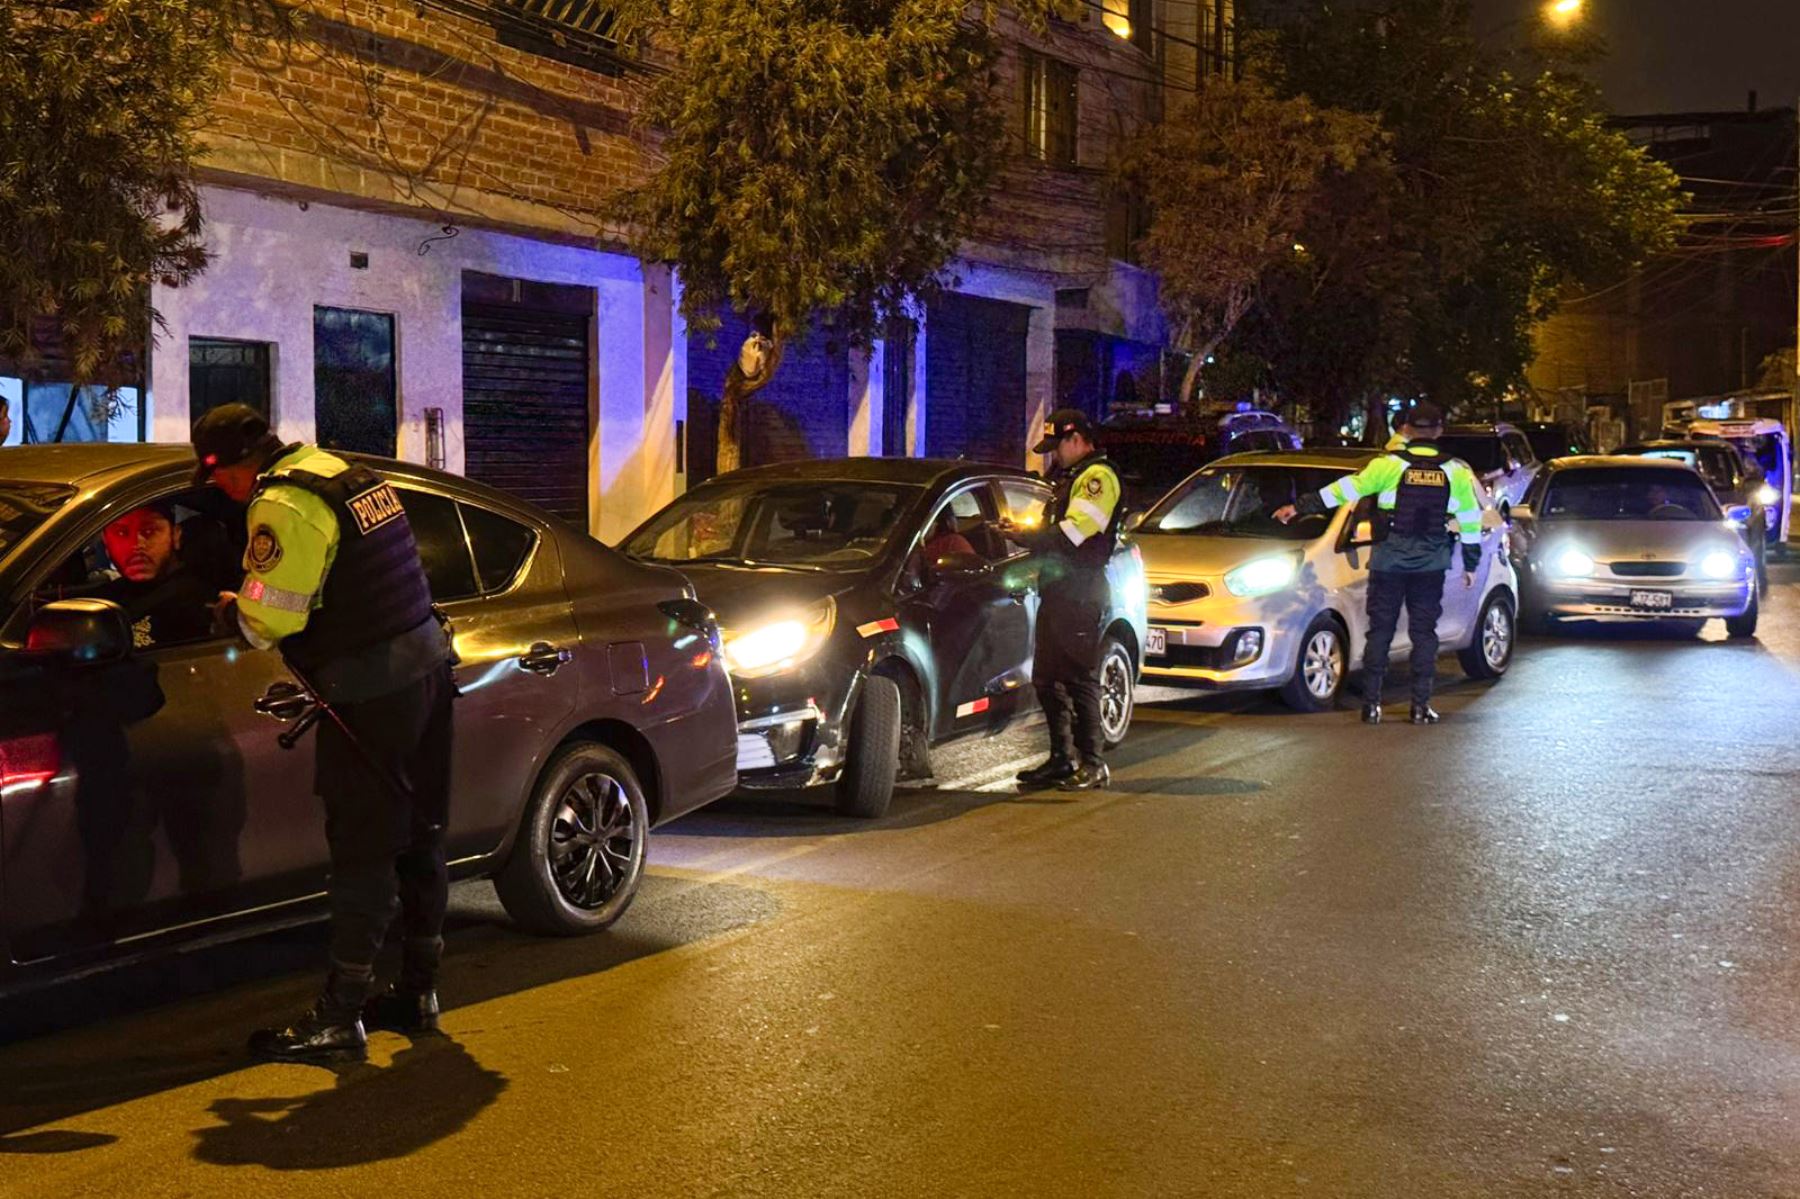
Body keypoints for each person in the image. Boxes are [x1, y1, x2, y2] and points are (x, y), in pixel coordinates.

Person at [193, 403, 455, 1063]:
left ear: (228, 466)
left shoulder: (283, 503)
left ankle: (341, 1015)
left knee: (362, 847)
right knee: (420, 835)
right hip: (427, 670)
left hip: (369, 692)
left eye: (216, 477)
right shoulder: (343, 471)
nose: (221, 491)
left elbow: (267, 619)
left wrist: (233, 608)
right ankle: (418, 992)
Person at [1274, 401, 1482, 725]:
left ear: (1408, 431)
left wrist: (1299, 507)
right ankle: (1420, 707)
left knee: (1381, 632)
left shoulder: (1387, 465)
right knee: (1424, 634)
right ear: (1439, 431)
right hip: (1430, 565)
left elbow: (1346, 490)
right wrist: (1470, 564)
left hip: (1389, 562)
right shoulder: (1454, 471)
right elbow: (1471, 522)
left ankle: (1371, 706)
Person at [1007, 408, 1123, 791]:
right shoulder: (1070, 478)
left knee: (1078, 677)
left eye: (1057, 447)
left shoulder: (1098, 479)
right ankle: (1061, 759)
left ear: (1076, 440)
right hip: (1059, 591)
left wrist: (1026, 537)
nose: (1054, 455)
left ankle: (1093, 763)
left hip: (1081, 592)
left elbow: (1074, 533)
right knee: (1046, 678)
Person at [93, 501, 214, 648]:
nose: (136, 545)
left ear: (175, 535)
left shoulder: (190, 597)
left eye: (149, 531)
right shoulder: (107, 596)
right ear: (106, 542)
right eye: (121, 533)